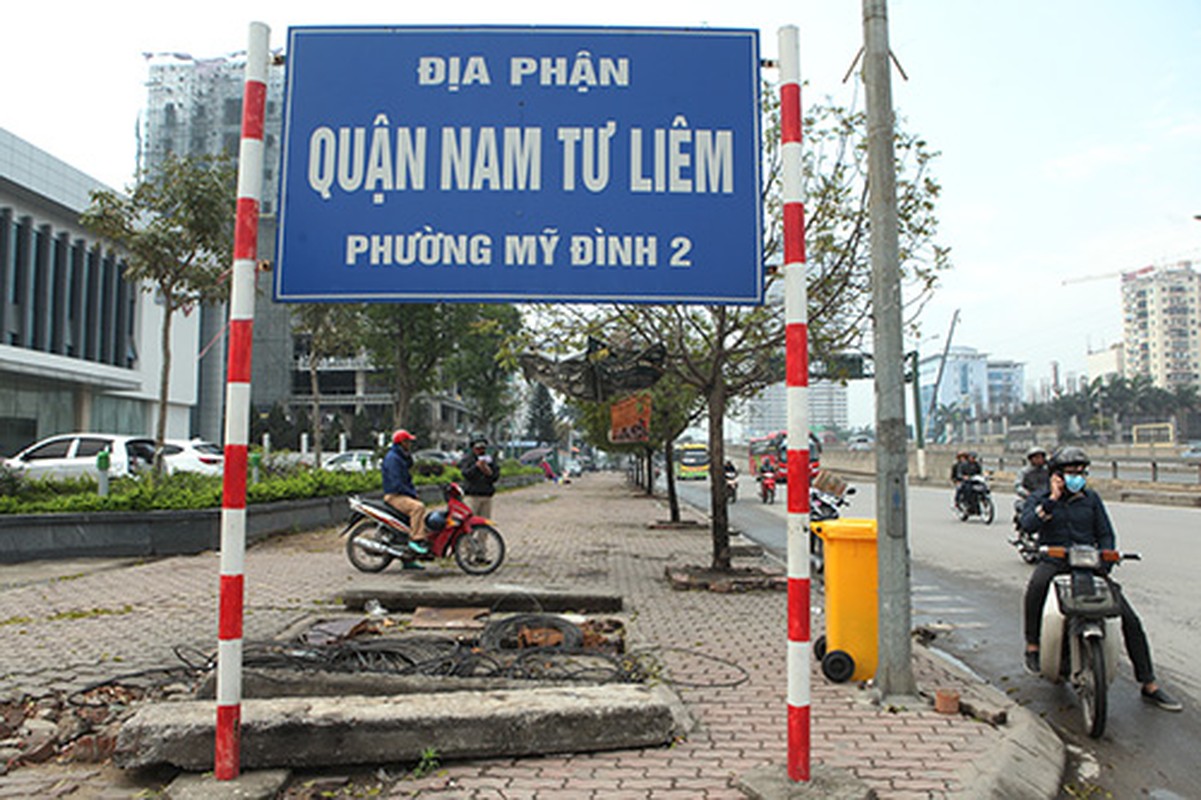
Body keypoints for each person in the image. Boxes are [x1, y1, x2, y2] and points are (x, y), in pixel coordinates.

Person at [1018, 446, 1182, 711]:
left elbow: (1105, 533)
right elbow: (1027, 525)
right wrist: (1052, 499)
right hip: (1055, 561)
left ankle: (1149, 683)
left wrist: (1106, 559)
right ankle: (1033, 646)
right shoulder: (1041, 498)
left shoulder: (1091, 499)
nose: (1077, 477)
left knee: (1128, 617)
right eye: (1071, 472)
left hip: (1088, 564)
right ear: (1056, 475)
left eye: (1081, 472)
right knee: (1036, 587)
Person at [381, 429, 430, 556]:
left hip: (402, 494)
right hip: (394, 495)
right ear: (402, 442)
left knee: (417, 513)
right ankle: (416, 539)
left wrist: (408, 457)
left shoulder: (400, 457)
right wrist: (411, 494)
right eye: (408, 442)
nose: (410, 445)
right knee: (418, 508)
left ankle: (409, 559)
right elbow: (396, 483)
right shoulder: (393, 459)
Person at [457, 433, 500, 518]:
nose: (480, 450)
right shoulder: (468, 459)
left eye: (483, 448)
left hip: (486, 495)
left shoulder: (489, 460)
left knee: (485, 523)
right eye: (478, 448)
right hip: (472, 496)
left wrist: (488, 471)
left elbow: (495, 476)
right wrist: (476, 467)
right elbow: (466, 474)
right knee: (470, 522)